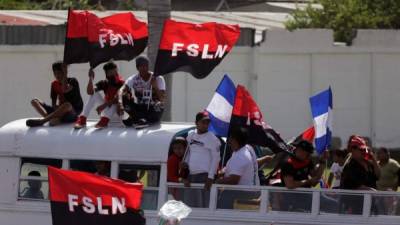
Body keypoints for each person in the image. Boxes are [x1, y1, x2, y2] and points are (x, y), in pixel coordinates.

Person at [181, 111, 221, 208]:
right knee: (190, 206)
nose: (206, 125)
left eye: (207, 122)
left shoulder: (212, 139)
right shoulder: (190, 135)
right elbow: (188, 153)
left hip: (204, 177)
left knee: (203, 206)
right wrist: (184, 169)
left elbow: (216, 158)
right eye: (203, 122)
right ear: (196, 123)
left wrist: (210, 177)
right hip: (191, 176)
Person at [27, 61, 83, 127]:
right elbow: (53, 102)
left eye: (59, 73)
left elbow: (64, 90)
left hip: (72, 112)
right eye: (55, 73)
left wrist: (65, 73)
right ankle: (49, 118)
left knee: (67, 105)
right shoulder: (54, 84)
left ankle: (43, 121)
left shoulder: (73, 81)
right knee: (34, 101)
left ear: (64, 73)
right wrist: (56, 108)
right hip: (59, 111)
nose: (57, 76)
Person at [216, 127, 260, 209]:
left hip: (246, 192)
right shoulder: (247, 148)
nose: (228, 142)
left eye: (230, 139)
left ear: (235, 140)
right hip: (253, 190)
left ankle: (223, 218)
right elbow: (233, 167)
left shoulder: (241, 156)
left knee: (225, 194)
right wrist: (221, 172)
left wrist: (215, 181)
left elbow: (233, 180)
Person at [117, 56, 166, 127]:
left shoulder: (158, 78)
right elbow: (121, 90)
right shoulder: (134, 78)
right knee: (124, 97)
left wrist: (155, 86)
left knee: (159, 105)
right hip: (141, 109)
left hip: (153, 109)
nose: (144, 68)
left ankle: (136, 119)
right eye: (142, 66)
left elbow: (162, 99)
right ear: (137, 68)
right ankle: (139, 119)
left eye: (146, 66)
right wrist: (120, 103)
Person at [74, 62, 125, 129]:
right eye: (111, 73)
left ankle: (104, 121)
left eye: (115, 72)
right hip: (105, 113)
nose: (115, 75)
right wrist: (91, 78)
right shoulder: (104, 83)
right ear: (106, 74)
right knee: (94, 94)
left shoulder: (121, 83)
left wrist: (104, 105)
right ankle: (82, 120)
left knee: (116, 102)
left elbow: (119, 98)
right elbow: (90, 92)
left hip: (117, 114)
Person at [340, 135, 380, 214]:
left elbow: (378, 176)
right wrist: (374, 192)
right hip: (354, 205)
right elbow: (359, 186)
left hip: (369, 202)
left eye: (364, 149)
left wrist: (374, 159)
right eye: (361, 149)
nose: (363, 151)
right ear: (353, 150)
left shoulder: (368, 163)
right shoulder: (350, 166)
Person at [279, 140, 324, 212]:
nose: (309, 156)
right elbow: (290, 185)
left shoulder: (307, 161)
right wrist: (308, 181)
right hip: (292, 198)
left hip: (306, 195)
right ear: (301, 151)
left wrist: (322, 161)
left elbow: (315, 176)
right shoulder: (288, 163)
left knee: (332, 204)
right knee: (329, 205)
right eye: (308, 153)